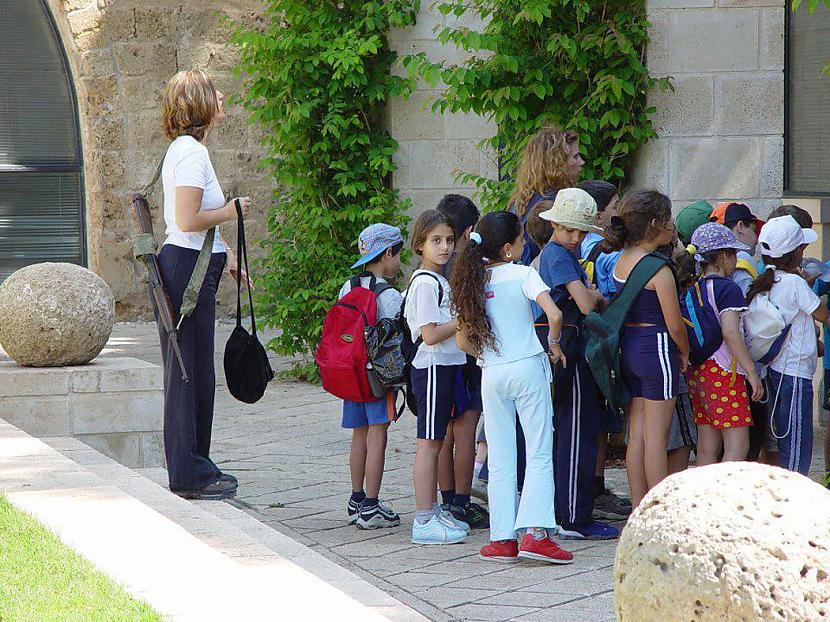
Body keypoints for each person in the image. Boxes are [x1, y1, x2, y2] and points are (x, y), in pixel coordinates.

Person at [451, 211, 573, 564]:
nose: (523, 245)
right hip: (528, 367)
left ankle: (501, 537)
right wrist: (553, 344)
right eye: (520, 240)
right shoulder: (524, 273)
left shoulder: (473, 281)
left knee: (500, 454)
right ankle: (536, 534)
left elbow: (461, 341)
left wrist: (489, 355)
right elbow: (555, 315)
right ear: (508, 248)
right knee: (537, 449)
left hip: (493, 372)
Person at [158, 69, 251, 500]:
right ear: (201, 103)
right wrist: (232, 210)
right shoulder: (192, 154)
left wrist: (227, 255)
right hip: (187, 272)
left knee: (196, 373)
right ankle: (188, 474)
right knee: (187, 374)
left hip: (192, 266)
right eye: (214, 91)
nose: (222, 95)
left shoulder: (188, 150)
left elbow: (194, 227)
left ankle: (196, 464)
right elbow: (187, 220)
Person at [534, 188, 619, 540]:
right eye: (569, 230)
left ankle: (569, 511)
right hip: (571, 349)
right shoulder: (559, 256)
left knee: (575, 430)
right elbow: (584, 305)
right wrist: (597, 296)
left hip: (570, 348)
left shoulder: (556, 252)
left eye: (581, 231)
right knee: (575, 432)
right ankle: (572, 517)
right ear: (553, 224)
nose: (576, 237)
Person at [604, 190, 689, 509]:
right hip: (656, 350)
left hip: (629, 349)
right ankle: (659, 512)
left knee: (636, 436)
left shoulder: (620, 259)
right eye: (669, 219)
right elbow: (675, 325)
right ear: (656, 224)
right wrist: (683, 352)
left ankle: (640, 507)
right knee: (658, 437)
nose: (672, 224)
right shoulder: (659, 268)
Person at [404, 210, 470, 545]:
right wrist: (463, 321)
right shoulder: (426, 283)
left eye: (447, 240)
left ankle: (432, 512)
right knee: (428, 444)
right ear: (420, 245)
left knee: (436, 441)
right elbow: (429, 334)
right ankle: (423, 519)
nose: (444, 247)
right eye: (435, 241)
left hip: (443, 368)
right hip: (430, 367)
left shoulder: (437, 280)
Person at [677, 223, 764, 465]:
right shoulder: (729, 289)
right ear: (725, 255)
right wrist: (751, 372)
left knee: (707, 446)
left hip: (699, 371)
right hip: (725, 372)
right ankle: (726, 499)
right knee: (737, 445)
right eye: (734, 253)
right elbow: (730, 332)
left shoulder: (692, 290)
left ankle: (703, 500)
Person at [747, 215, 828, 475]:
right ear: (795, 254)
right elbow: (824, 314)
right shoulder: (794, 283)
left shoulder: (769, 280)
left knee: (784, 436)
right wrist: (808, 286)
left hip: (776, 370)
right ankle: (793, 498)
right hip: (795, 373)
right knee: (797, 442)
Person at [341, 224, 404, 530]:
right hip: (378, 378)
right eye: (398, 254)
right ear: (387, 253)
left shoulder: (349, 286)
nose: (399, 262)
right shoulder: (390, 295)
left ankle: (356, 499)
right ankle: (371, 506)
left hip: (350, 374)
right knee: (378, 435)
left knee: (359, 435)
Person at [578, 180, 630, 522]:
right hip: (604, 338)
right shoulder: (608, 252)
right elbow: (613, 293)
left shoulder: (579, 246)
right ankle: (594, 488)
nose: (616, 214)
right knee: (602, 418)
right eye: (613, 207)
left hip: (582, 339)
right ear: (598, 213)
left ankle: (589, 486)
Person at [435, 195, 489, 528]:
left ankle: (447, 499)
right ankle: (462, 502)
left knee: (445, 433)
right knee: (466, 430)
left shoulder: (433, 264)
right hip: (467, 355)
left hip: (442, 358)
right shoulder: (469, 265)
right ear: (469, 231)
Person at [508, 127, 584, 265]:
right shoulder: (556, 204)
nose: (581, 162)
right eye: (575, 157)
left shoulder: (522, 199)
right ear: (557, 163)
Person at [709, 202, 764, 297]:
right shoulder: (743, 258)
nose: (757, 239)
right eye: (754, 231)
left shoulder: (710, 263)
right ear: (740, 227)